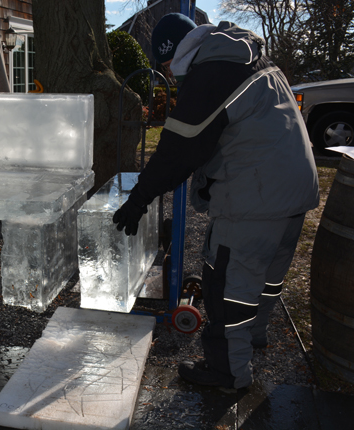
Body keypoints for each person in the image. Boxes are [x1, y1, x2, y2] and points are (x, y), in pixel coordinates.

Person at [112, 13, 319, 390]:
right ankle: (253, 337)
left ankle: (228, 372)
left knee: (225, 287)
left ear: (173, 56)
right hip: (296, 191)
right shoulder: (250, 58)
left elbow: (177, 150)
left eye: (166, 68)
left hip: (255, 201)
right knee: (266, 278)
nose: (170, 78)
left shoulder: (211, 73)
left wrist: (138, 199)